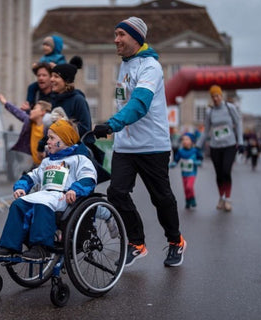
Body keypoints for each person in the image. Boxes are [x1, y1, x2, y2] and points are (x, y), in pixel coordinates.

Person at [93, 16, 186, 268]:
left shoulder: (150, 67)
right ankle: (137, 243)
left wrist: (111, 124)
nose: (116, 40)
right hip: (125, 146)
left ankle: (176, 241)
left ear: (136, 38)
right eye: (115, 34)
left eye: (121, 35)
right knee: (117, 192)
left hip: (152, 145)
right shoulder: (125, 64)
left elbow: (139, 104)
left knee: (161, 197)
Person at [0, 119, 97, 261]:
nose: (47, 141)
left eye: (52, 138)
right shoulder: (47, 161)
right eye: (48, 137)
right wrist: (21, 187)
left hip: (65, 197)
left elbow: (88, 178)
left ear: (65, 140)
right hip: (46, 194)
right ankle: (10, 246)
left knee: (44, 203)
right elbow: (32, 176)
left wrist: (75, 190)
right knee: (19, 204)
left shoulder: (79, 159)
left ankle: (41, 249)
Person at [49, 56, 105, 165]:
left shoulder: (78, 99)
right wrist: (41, 146)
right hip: (58, 152)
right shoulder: (55, 100)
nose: (51, 79)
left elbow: (86, 128)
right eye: (51, 76)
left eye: (56, 76)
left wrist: (64, 124)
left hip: (76, 154)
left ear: (66, 81)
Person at [196, 85, 244, 212]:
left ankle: (228, 199)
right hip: (215, 146)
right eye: (213, 97)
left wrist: (241, 142)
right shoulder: (209, 112)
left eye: (217, 96)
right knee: (218, 174)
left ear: (221, 96)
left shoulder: (230, 108)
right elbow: (206, 131)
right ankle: (221, 197)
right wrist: (197, 146)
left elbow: (238, 123)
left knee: (226, 171)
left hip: (230, 145)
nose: (215, 98)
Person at [0, 94, 51, 167]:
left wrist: (45, 154)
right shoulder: (30, 123)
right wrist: (5, 103)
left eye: (34, 109)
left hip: (48, 166)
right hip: (35, 165)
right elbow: (18, 112)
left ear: (43, 112)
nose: (31, 111)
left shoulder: (49, 129)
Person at [24, 35, 67, 111]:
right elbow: (39, 69)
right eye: (43, 45)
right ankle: (30, 104)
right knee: (32, 87)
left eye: (47, 45)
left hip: (54, 82)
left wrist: (55, 67)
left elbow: (64, 71)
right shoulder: (43, 58)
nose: (44, 47)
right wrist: (35, 66)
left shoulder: (59, 58)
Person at [169, 133, 203, 209]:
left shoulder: (195, 150)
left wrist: (197, 162)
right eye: (183, 139)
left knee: (189, 186)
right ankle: (187, 200)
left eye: (187, 139)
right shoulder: (180, 151)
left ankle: (192, 199)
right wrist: (172, 164)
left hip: (192, 173)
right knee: (185, 188)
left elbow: (200, 158)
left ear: (191, 141)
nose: (184, 141)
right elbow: (176, 160)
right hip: (184, 173)